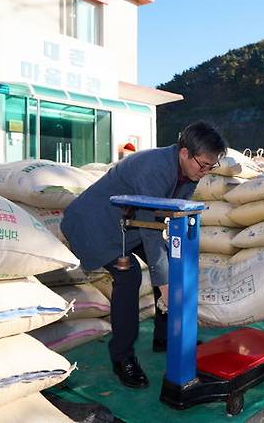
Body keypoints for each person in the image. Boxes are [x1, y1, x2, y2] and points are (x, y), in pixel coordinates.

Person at [61, 122, 227, 388]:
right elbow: (150, 229)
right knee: (129, 277)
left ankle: (166, 337)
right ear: (185, 152)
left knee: (176, 264)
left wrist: (173, 263)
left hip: (131, 224)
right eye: (203, 165)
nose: (206, 172)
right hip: (96, 224)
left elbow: (172, 215)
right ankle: (122, 358)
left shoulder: (189, 173)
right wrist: (163, 286)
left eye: (211, 167)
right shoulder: (154, 167)